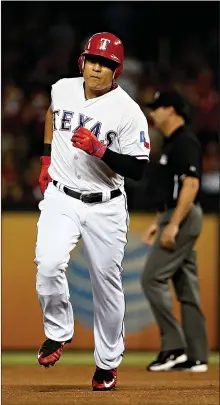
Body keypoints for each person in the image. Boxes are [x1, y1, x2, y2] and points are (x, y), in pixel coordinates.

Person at [35, 32, 150, 391]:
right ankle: (58, 332)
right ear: (81, 61)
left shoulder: (128, 111)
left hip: (106, 204)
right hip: (62, 196)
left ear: (116, 71)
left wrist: (101, 151)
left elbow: (139, 169)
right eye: (93, 60)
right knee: (49, 262)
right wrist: (44, 158)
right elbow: (52, 115)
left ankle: (107, 364)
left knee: (106, 285)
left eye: (106, 64)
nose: (97, 68)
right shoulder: (64, 88)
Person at [141, 90, 209, 372]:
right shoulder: (172, 144)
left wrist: (174, 224)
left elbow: (190, 185)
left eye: (157, 107)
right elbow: (172, 189)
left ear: (172, 109)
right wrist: (160, 222)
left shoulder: (185, 142)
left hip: (183, 215)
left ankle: (174, 347)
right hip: (174, 214)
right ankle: (198, 356)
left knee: (151, 278)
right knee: (186, 286)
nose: (153, 113)